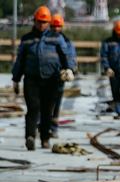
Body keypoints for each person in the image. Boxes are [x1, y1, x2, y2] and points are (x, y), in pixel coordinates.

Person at [11, 6, 74, 151]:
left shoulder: (56, 38)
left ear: (48, 23)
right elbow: (20, 61)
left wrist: (69, 69)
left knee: (47, 111)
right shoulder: (27, 40)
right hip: (32, 80)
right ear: (34, 21)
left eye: (45, 22)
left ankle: (45, 138)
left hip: (51, 79)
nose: (42, 25)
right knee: (33, 109)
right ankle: (30, 137)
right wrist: (16, 79)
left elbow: (66, 56)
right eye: (39, 22)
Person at [49, 13, 76, 138]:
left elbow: (71, 57)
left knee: (57, 102)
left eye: (58, 27)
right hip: (47, 75)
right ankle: (42, 126)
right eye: (54, 27)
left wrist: (69, 70)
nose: (56, 29)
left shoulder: (67, 42)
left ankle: (53, 128)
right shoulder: (46, 40)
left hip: (60, 76)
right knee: (43, 102)